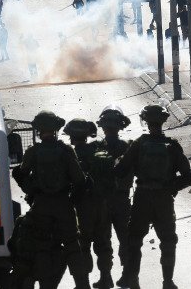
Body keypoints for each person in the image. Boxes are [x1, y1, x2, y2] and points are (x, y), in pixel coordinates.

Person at [114, 105, 191, 289]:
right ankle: (167, 282)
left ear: (146, 121)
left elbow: (120, 171)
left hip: (142, 198)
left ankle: (133, 280)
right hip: (164, 200)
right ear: (162, 121)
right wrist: (172, 187)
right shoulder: (172, 146)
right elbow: (190, 176)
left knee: (134, 240)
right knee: (168, 241)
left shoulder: (138, 144)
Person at [12, 112, 92, 289]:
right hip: (64, 204)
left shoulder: (33, 152)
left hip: (41, 206)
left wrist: (31, 191)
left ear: (39, 130)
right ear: (56, 129)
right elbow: (79, 180)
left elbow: (20, 173)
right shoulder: (65, 151)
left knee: (42, 245)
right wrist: (72, 200)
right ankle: (82, 284)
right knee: (72, 245)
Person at [63, 119, 114, 289]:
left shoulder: (71, 154)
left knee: (82, 244)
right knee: (103, 242)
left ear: (72, 136)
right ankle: (106, 278)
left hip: (82, 206)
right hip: (102, 204)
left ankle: (83, 283)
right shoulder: (98, 150)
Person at [95, 106, 133, 286]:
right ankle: (128, 276)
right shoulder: (128, 147)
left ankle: (105, 277)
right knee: (126, 239)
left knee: (103, 240)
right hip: (122, 200)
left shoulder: (95, 148)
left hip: (102, 201)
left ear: (103, 126)